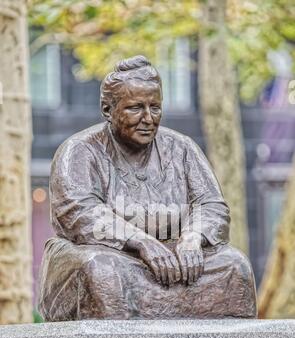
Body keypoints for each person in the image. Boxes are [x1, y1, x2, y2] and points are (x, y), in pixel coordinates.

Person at [38, 55, 257, 320]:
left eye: (155, 107)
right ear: (108, 110)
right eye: (135, 108)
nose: (148, 118)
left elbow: (211, 204)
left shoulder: (183, 148)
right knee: (101, 270)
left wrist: (192, 238)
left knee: (234, 265)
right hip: (110, 255)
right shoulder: (80, 150)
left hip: (175, 255)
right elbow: (78, 212)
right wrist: (140, 241)